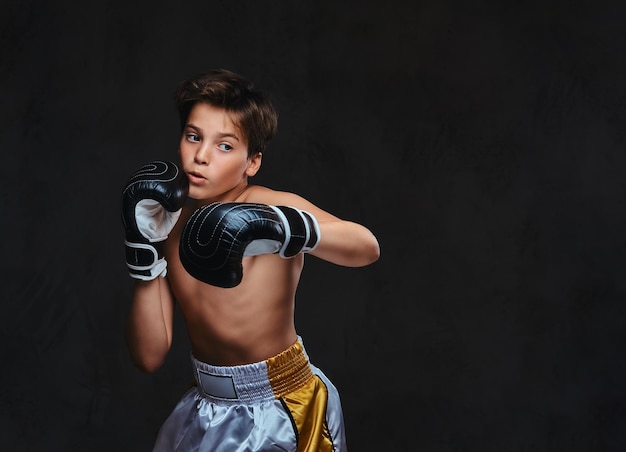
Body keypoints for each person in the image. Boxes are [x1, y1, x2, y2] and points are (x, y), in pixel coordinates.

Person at [121, 68, 380, 451]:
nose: (202, 156)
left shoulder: (270, 207)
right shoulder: (169, 229)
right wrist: (142, 251)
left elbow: (366, 246)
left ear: (252, 161)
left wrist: (283, 227)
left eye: (224, 146)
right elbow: (149, 354)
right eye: (194, 137)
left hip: (286, 405)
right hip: (207, 408)